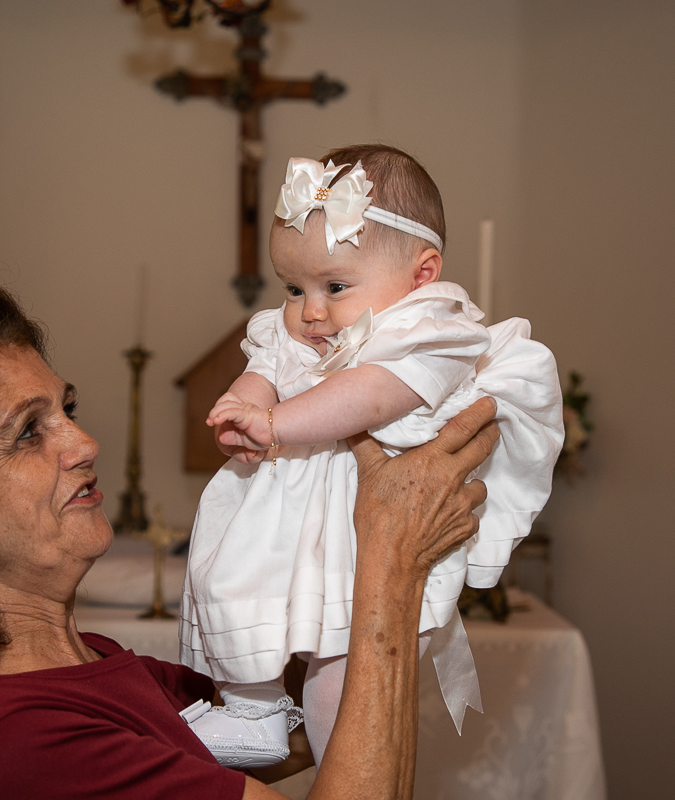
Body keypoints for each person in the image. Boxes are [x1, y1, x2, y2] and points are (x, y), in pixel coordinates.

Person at [0, 279, 501, 799]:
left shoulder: (90, 671)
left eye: (66, 408)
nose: (83, 441)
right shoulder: (8, 743)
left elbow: (299, 733)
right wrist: (390, 565)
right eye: (27, 433)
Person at [180, 145, 564, 767]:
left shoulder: (432, 332)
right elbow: (265, 367)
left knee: (348, 675)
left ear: (421, 275)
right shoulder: (297, 326)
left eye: (334, 286)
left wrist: (274, 423)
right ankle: (254, 708)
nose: (310, 311)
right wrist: (241, 403)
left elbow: (370, 396)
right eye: (294, 287)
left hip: (372, 544)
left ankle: (350, 769)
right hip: (288, 518)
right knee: (231, 578)